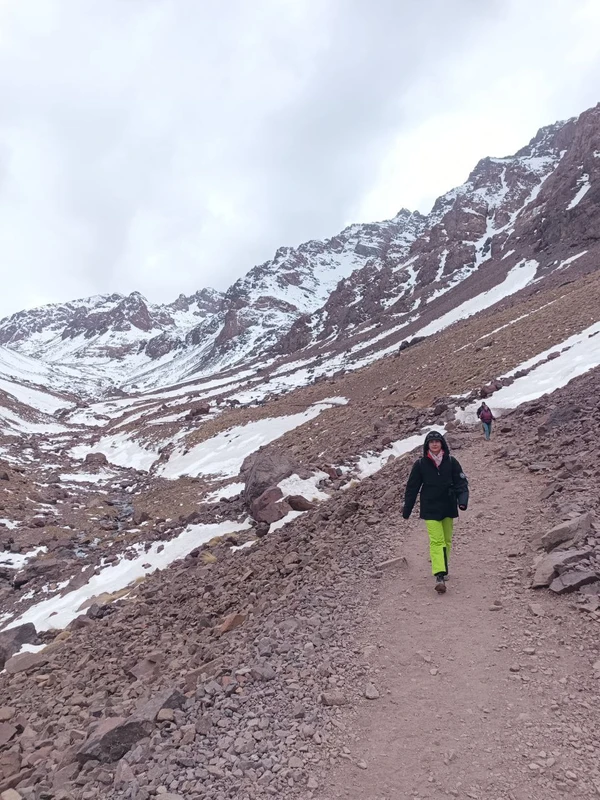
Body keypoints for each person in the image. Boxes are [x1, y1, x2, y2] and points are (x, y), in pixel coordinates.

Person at [402, 431, 469, 594]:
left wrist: (462, 501)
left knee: (446, 540)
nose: (434, 444)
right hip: (430, 508)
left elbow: (461, 482)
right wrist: (407, 510)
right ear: (427, 445)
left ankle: (443, 568)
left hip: (448, 506)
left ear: (442, 444)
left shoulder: (451, 462)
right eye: (431, 442)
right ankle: (439, 575)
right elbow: (412, 488)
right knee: (437, 541)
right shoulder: (420, 464)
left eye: (437, 441)